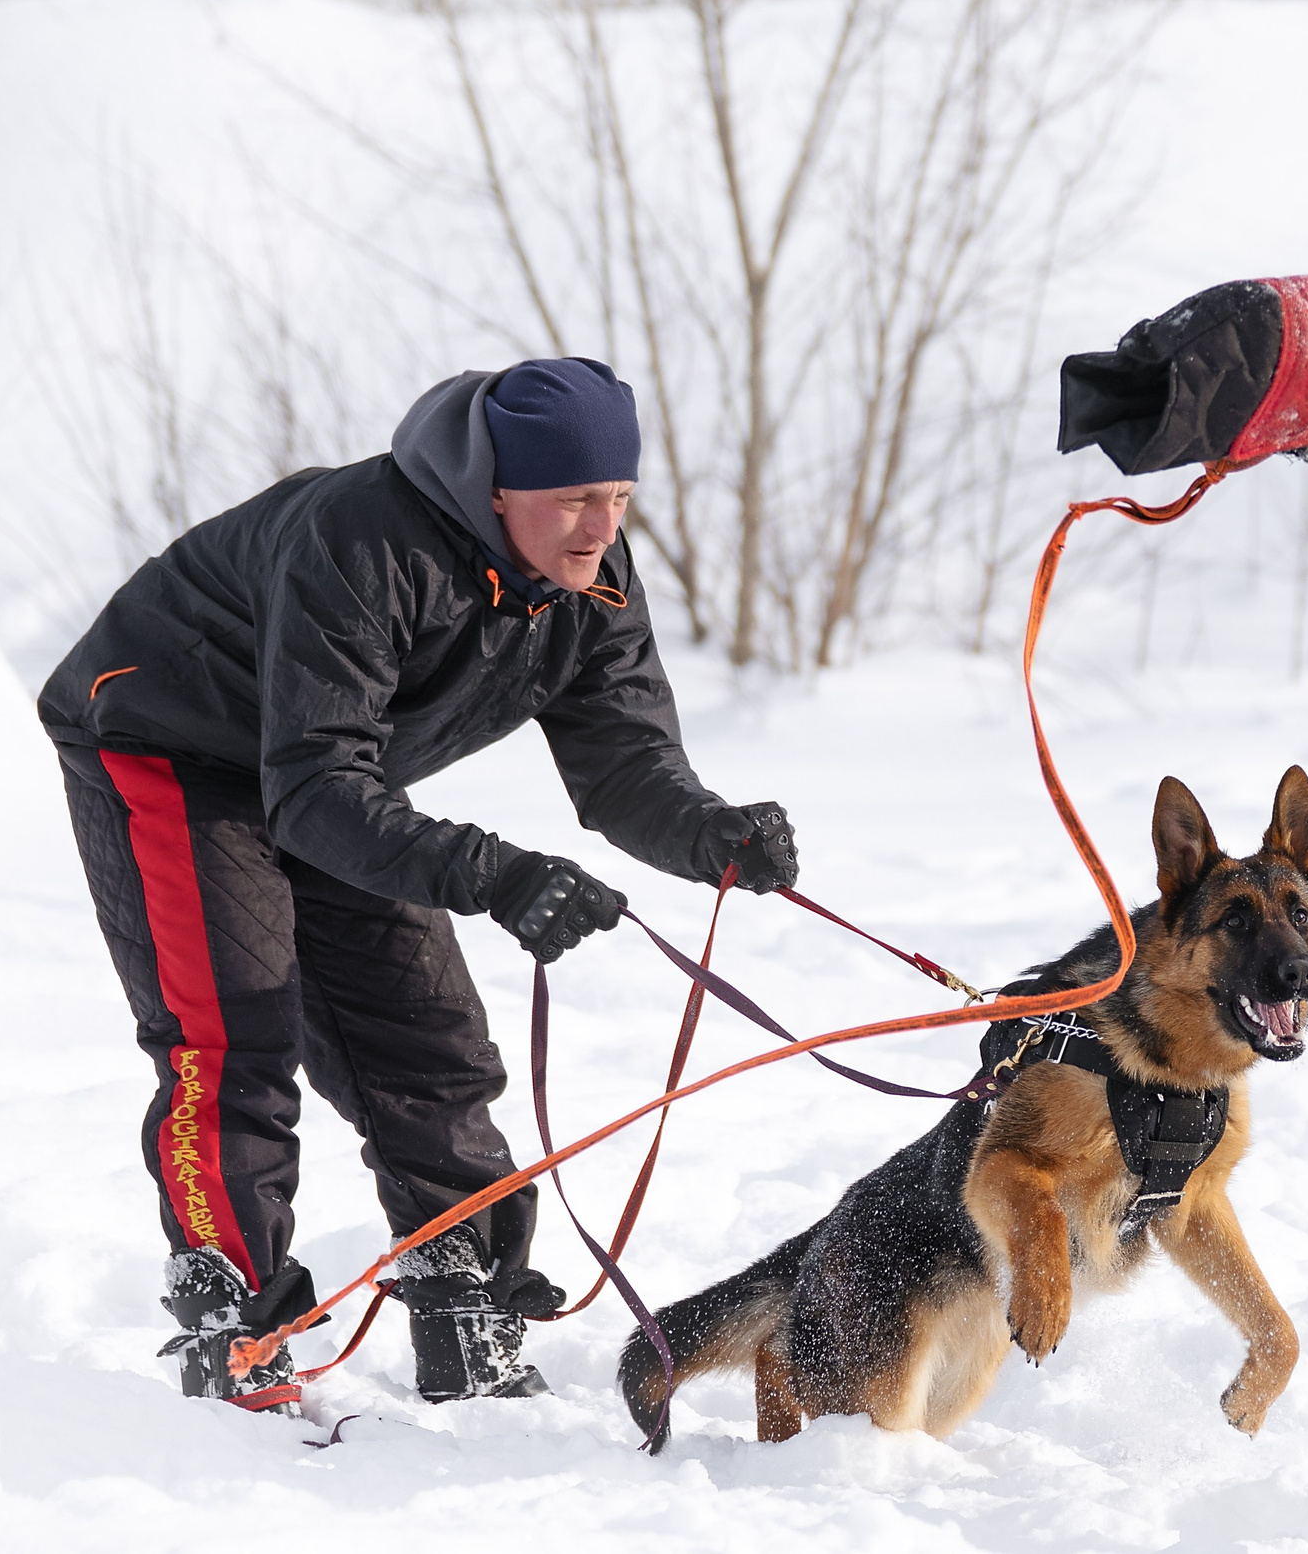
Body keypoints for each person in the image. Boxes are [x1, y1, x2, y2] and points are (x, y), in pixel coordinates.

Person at [40, 358, 799, 1414]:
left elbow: (625, 764)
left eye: (619, 497)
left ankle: (463, 1305)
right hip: (170, 747)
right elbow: (310, 791)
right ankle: (237, 1328)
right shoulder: (363, 542)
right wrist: (494, 874)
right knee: (232, 1034)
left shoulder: (591, 581)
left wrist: (711, 834)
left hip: (330, 770)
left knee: (431, 1047)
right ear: (493, 490)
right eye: (572, 498)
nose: (598, 525)